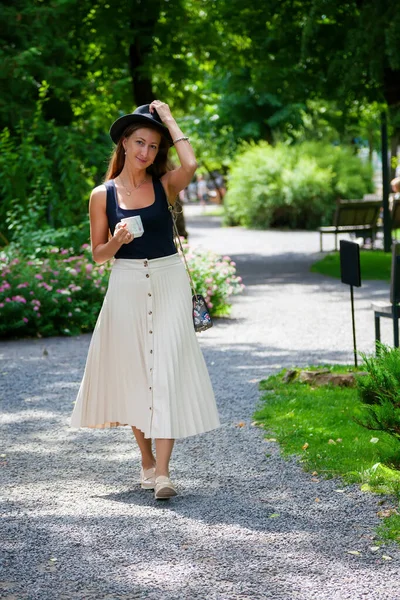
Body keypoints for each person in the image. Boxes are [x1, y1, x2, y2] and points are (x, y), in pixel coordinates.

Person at [71, 101, 220, 499]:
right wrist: (116, 241)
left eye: (154, 146)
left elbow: (190, 165)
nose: (146, 153)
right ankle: (146, 461)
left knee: (166, 369)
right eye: (139, 143)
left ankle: (165, 472)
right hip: (127, 285)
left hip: (169, 279)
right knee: (137, 372)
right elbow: (98, 254)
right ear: (123, 142)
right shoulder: (101, 195)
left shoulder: (164, 184)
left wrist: (170, 119)